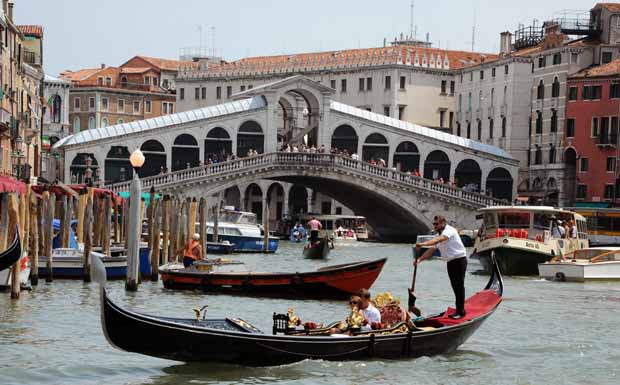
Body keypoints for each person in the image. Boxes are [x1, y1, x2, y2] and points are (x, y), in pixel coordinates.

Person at [415, 215, 468, 319]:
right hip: (450, 262)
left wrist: (422, 244)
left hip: (459, 260)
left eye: (436, 224)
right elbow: (431, 250)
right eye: (433, 224)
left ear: (443, 223)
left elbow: (439, 240)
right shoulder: (439, 234)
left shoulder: (449, 231)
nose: (434, 226)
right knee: (454, 286)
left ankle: (461, 311)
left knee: (459, 286)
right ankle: (459, 309)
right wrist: (420, 259)